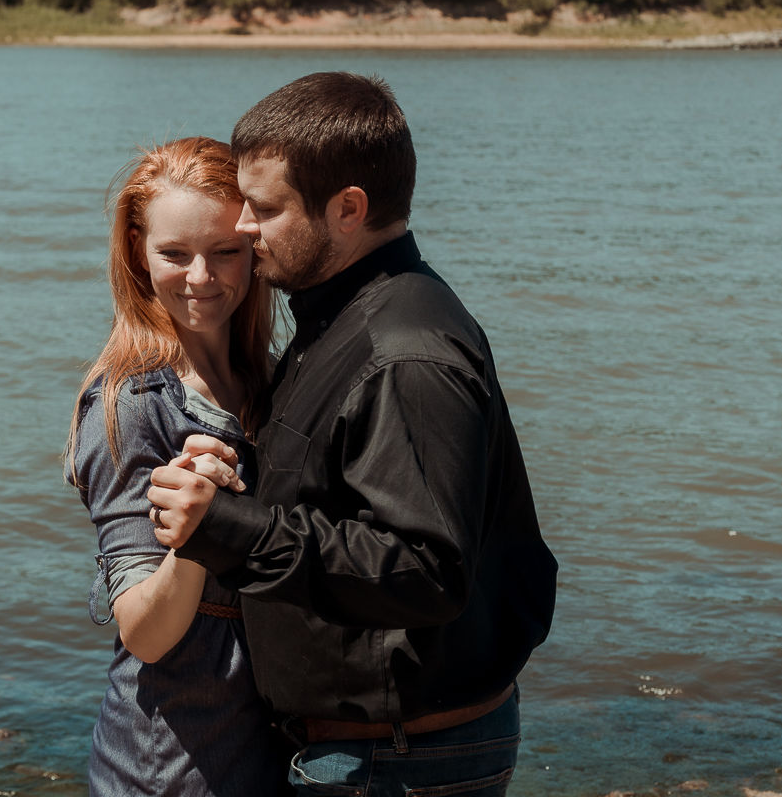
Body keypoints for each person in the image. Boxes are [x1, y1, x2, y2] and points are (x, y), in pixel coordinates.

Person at [145, 72, 559, 797]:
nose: (243, 228)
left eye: (266, 209)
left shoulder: (403, 353)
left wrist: (228, 529)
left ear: (347, 209)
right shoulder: (337, 319)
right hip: (373, 754)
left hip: (399, 760)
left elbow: (428, 569)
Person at [66, 136, 288, 797]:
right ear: (136, 248)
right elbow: (146, 631)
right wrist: (203, 531)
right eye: (173, 253)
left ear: (255, 243)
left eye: (225, 251)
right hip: (168, 769)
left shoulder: (266, 378)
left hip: (260, 753)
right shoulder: (132, 403)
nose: (201, 278)